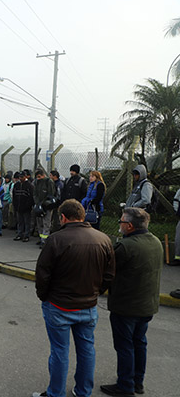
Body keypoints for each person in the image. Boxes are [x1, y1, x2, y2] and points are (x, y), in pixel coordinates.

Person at [33, 199, 115, 397]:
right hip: (88, 306)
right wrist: (95, 293)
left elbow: (42, 274)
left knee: (60, 351)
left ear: (63, 217)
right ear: (82, 216)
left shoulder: (56, 240)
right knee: (86, 349)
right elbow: (109, 275)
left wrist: (44, 297)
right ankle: (83, 391)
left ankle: (56, 393)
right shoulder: (104, 239)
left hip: (59, 305)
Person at [99, 208, 162, 397]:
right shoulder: (156, 241)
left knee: (125, 345)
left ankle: (125, 385)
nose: (119, 225)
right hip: (147, 305)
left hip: (126, 306)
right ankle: (137, 382)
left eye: (121, 222)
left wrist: (95, 291)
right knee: (139, 343)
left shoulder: (126, 246)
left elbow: (107, 271)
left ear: (129, 226)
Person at [33, 169, 56, 248]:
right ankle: (41, 238)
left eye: (39, 176)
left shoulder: (49, 182)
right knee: (39, 223)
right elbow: (35, 194)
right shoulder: (36, 182)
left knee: (46, 223)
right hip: (38, 206)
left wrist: (43, 203)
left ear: (43, 175)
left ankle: (45, 240)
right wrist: (37, 203)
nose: (38, 178)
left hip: (47, 206)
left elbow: (51, 194)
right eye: (37, 177)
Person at [13, 170, 34, 242]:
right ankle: (20, 234)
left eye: (22, 177)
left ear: (25, 177)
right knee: (20, 222)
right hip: (18, 207)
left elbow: (31, 197)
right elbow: (14, 196)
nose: (20, 178)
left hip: (26, 208)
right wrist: (15, 205)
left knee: (27, 222)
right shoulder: (16, 185)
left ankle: (26, 235)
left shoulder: (29, 186)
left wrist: (28, 206)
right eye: (19, 177)